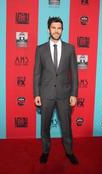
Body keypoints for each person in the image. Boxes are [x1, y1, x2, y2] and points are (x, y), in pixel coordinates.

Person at [33, 17, 79, 164]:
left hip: (64, 95)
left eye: (59, 28)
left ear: (62, 30)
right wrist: (36, 94)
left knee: (66, 126)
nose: (56, 31)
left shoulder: (70, 49)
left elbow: (74, 73)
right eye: (53, 28)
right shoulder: (40, 49)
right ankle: (45, 151)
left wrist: (73, 94)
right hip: (46, 95)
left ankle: (69, 152)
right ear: (48, 29)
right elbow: (37, 74)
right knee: (44, 125)